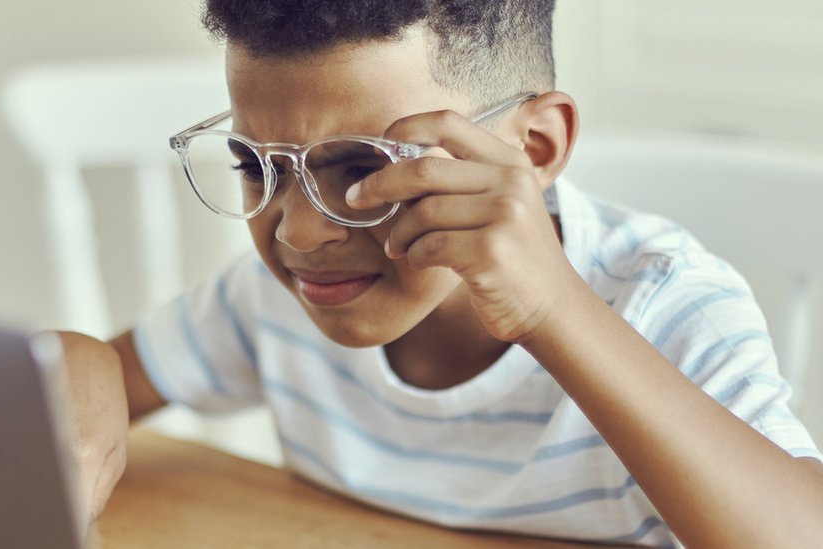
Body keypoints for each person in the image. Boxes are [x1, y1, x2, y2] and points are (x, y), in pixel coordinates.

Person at [58, 1, 823, 546]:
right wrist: (84, 359)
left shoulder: (664, 301)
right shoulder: (273, 302)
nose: (297, 230)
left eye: (362, 167)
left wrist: (552, 307)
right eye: (256, 166)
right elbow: (107, 374)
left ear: (534, 148)